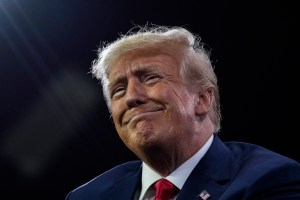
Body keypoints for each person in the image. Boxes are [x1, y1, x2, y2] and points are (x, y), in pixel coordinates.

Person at [65, 24, 300, 200]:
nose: (131, 97)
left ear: (202, 99)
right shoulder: (88, 196)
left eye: (150, 78)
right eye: (118, 89)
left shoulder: (271, 180)